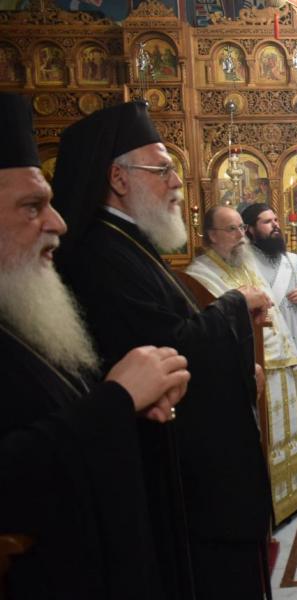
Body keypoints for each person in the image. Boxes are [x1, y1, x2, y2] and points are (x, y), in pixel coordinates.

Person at [52, 101, 275, 600]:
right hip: (173, 477)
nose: (177, 182)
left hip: (189, 469)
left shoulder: (128, 241)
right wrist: (236, 307)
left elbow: (172, 333)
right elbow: (167, 350)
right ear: (118, 177)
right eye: (163, 170)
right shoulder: (99, 254)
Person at [0, 92, 190, 599]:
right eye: (32, 206)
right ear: (118, 179)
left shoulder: (20, 305)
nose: (57, 223)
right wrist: (117, 400)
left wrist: (129, 403)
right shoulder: (99, 253)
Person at [188, 206, 297, 523]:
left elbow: (272, 313)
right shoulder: (199, 275)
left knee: (285, 438)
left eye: (241, 228)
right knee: (263, 442)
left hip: (278, 362)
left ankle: (289, 500)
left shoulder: (246, 265)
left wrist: (292, 357)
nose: (240, 236)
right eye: (232, 229)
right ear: (211, 235)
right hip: (250, 370)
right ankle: (267, 506)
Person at [242, 203, 297, 474]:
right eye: (267, 222)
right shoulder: (243, 263)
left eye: (275, 219)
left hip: (291, 340)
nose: (275, 225)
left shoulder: (291, 260)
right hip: (263, 343)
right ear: (250, 229)